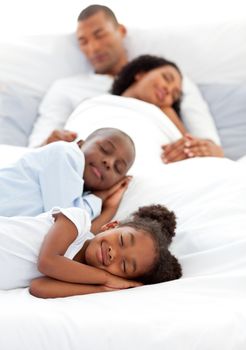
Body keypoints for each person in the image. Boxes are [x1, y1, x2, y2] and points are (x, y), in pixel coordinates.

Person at [28, 4, 219, 152]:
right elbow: (35, 150)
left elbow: (211, 146)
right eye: (83, 42)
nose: (93, 48)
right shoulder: (65, 88)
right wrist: (50, 143)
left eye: (99, 35)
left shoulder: (171, 80)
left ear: (121, 31)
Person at [0, 202, 182, 297]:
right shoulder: (78, 222)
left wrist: (104, 289)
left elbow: (39, 288)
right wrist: (108, 278)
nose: (114, 254)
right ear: (111, 226)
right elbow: (47, 262)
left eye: (125, 266)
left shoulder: (84, 277)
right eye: (122, 240)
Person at [0, 127, 135, 232]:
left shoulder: (82, 199)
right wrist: (100, 196)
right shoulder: (66, 154)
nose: (109, 162)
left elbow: (74, 239)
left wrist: (108, 206)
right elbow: (65, 219)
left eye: (117, 168)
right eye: (104, 149)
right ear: (80, 144)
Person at [111, 54, 224, 163]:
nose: (168, 90)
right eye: (166, 78)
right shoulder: (103, 103)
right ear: (141, 73)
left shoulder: (164, 114)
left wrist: (213, 150)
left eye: (174, 95)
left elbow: (198, 151)